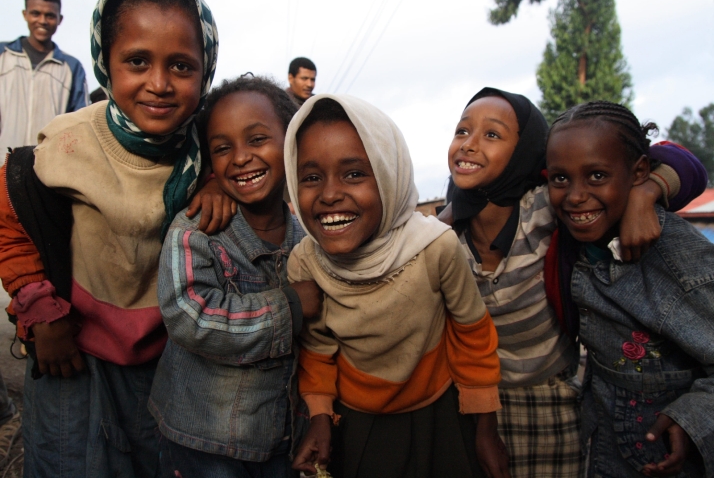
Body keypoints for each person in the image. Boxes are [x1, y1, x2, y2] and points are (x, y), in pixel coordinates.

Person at [0, 0, 233, 477]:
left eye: (181, 66)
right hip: (74, 350)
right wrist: (42, 311)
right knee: (71, 462)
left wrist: (219, 180)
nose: (159, 83)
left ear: (206, 67)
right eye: (137, 61)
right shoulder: (70, 142)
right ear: (106, 63)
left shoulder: (208, 152)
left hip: (170, 356)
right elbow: (10, 216)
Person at [443, 88, 707, 477]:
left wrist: (646, 192)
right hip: (481, 403)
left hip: (556, 398)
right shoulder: (442, 239)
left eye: (492, 134)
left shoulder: (549, 209)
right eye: (462, 131)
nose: (470, 145)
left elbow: (679, 162)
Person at [287, 94, 507, 478]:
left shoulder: (435, 247)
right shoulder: (305, 262)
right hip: (356, 422)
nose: (329, 194)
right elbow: (318, 350)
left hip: (440, 413)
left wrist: (485, 429)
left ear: (390, 176)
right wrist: (321, 417)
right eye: (310, 178)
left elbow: (472, 334)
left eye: (354, 173)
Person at [149, 75, 322, 477]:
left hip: (281, 439)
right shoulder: (195, 229)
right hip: (202, 442)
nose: (240, 158)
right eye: (222, 148)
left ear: (292, 144)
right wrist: (289, 306)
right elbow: (189, 317)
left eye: (257, 139)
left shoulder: (308, 241)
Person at [546, 101, 714, 477]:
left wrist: (692, 419)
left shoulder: (677, 260)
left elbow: (686, 164)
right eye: (560, 179)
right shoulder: (576, 232)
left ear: (639, 171)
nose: (575, 195)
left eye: (597, 176)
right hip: (605, 445)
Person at [0, 0, 88, 163]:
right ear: (25, 14)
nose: (42, 21)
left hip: (47, 170)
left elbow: (81, 125)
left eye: (50, 15)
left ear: (59, 19)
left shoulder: (71, 67)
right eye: (35, 13)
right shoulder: (3, 55)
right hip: (2, 163)